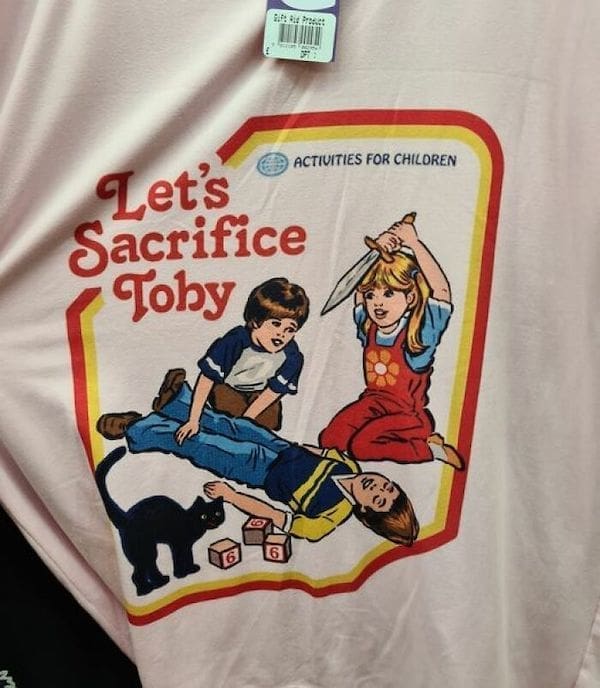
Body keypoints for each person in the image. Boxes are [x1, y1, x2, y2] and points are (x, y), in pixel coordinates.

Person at [97, 372, 419, 545]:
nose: (378, 488)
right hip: (281, 447)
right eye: (388, 487)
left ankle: (137, 429)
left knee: (204, 444)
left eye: (378, 499)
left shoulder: (328, 517)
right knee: (228, 424)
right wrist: (289, 445)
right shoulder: (350, 466)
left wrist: (231, 495)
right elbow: (319, 452)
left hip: (259, 470)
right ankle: (175, 403)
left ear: (366, 512)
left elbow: (273, 514)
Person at [320, 215, 464, 470]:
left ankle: (430, 449)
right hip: (372, 404)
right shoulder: (369, 327)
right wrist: (377, 250)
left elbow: (442, 292)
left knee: (361, 446)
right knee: (330, 440)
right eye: (372, 295)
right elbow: (356, 288)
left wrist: (414, 243)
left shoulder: (418, 335)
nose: (377, 302)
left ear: (410, 297)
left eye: (388, 293)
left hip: (408, 417)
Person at [167, 277, 309, 436]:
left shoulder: (292, 356)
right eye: (275, 324)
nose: (281, 334)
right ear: (256, 321)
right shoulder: (235, 340)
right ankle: (175, 395)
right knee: (228, 414)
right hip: (227, 388)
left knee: (270, 421)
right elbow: (207, 378)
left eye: (290, 329)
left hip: (258, 393)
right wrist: (193, 420)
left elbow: (273, 391)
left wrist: (246, 421)